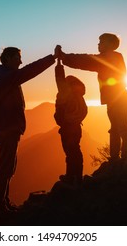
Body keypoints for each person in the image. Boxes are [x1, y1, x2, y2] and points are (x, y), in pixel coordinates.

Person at [0, 47, 57, 218]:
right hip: (8, 129)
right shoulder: (6, 77)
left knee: (9, 168)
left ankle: (4, 203)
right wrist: (51, 58)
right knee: (5, 168)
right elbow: (29, 71)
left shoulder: (5, 76)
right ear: (7, 59)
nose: (20, 62)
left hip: (9, 129)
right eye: (17, 58)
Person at [56, 33, 127, 161]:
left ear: (108, 44)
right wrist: (65, 57)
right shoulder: (113, 57)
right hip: (117, 98)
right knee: (117, 127)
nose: (98, 44)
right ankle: (118, 157)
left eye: (101, 42)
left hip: (118, 98)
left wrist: (64, 57)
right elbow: (88, 60)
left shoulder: (111, 57)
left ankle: (124, 157)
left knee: (120, 127)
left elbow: (87, 61)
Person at [54, 57, 88, 185]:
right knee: (75, 151)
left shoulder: (66, 94)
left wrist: (58, 64)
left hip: (68, 128)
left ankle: (71, 177)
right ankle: (76, 177)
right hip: (76, 127)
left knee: (70, 152)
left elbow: (59, 79)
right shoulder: (79, 96)